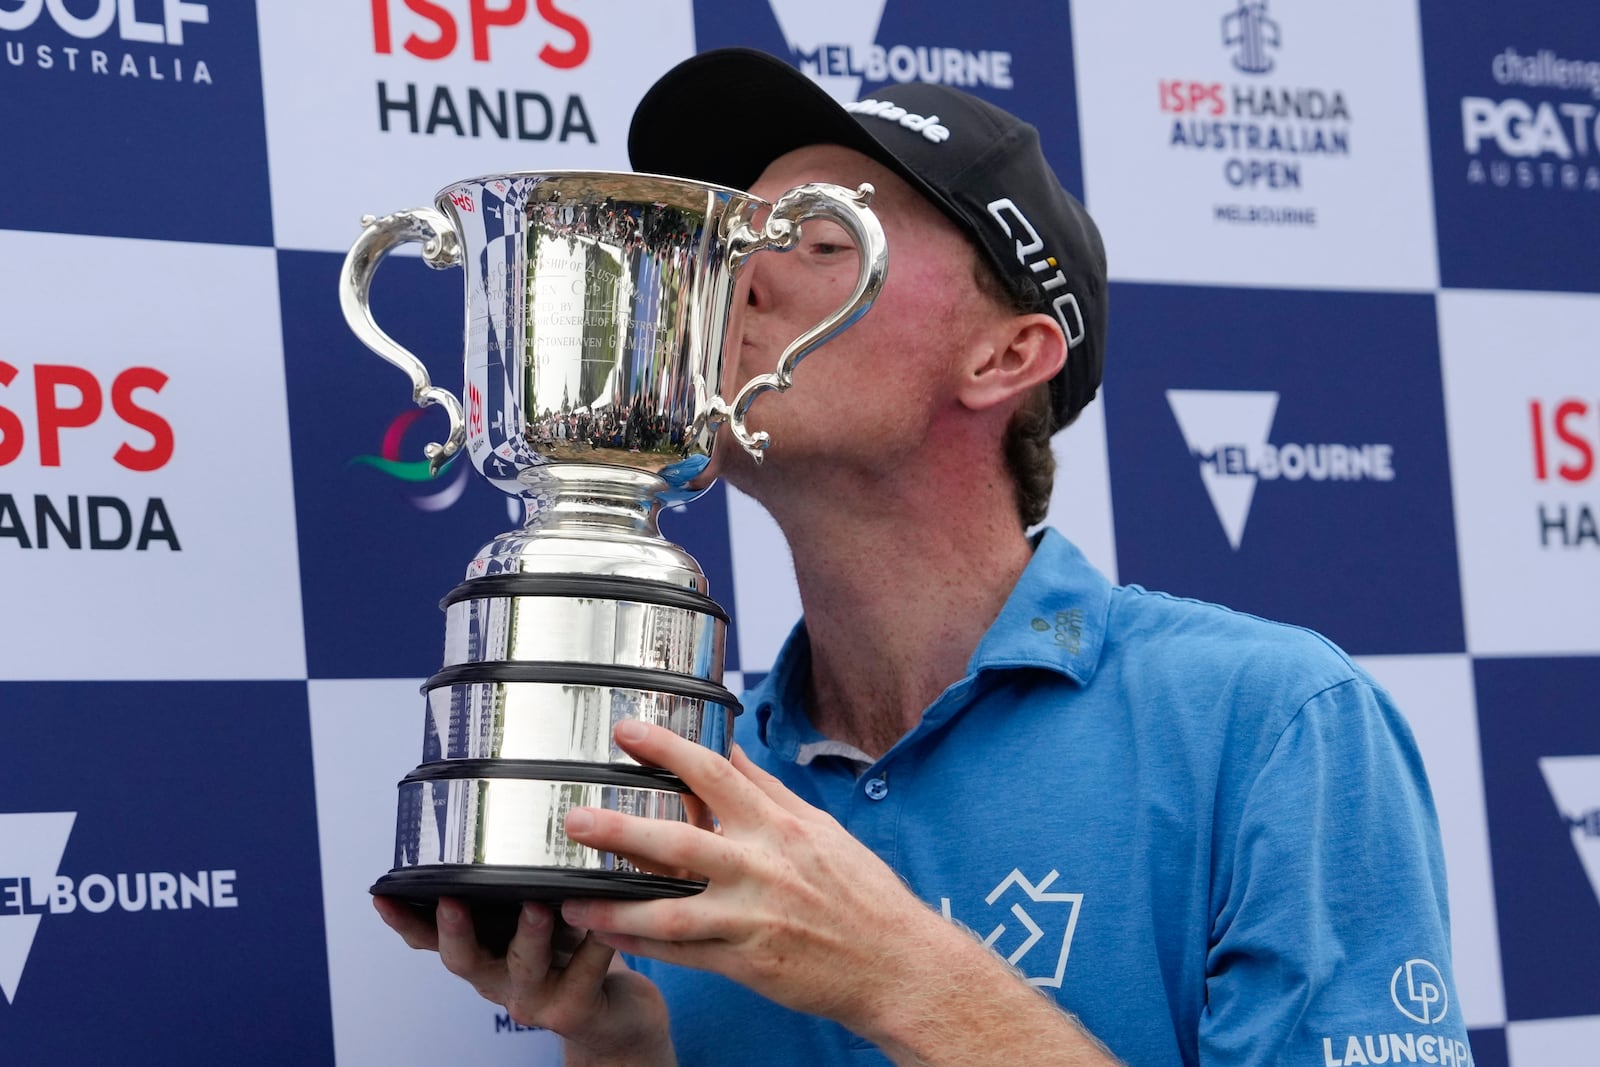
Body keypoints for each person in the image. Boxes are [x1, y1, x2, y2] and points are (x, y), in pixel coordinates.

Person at [378, 48, 1470, 1066]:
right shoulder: (689, 777)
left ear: (1005, 354)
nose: (735, 281)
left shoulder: (1271, 720)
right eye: (740, 242)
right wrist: (621, 1044)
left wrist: (898, 970)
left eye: (818, 242)